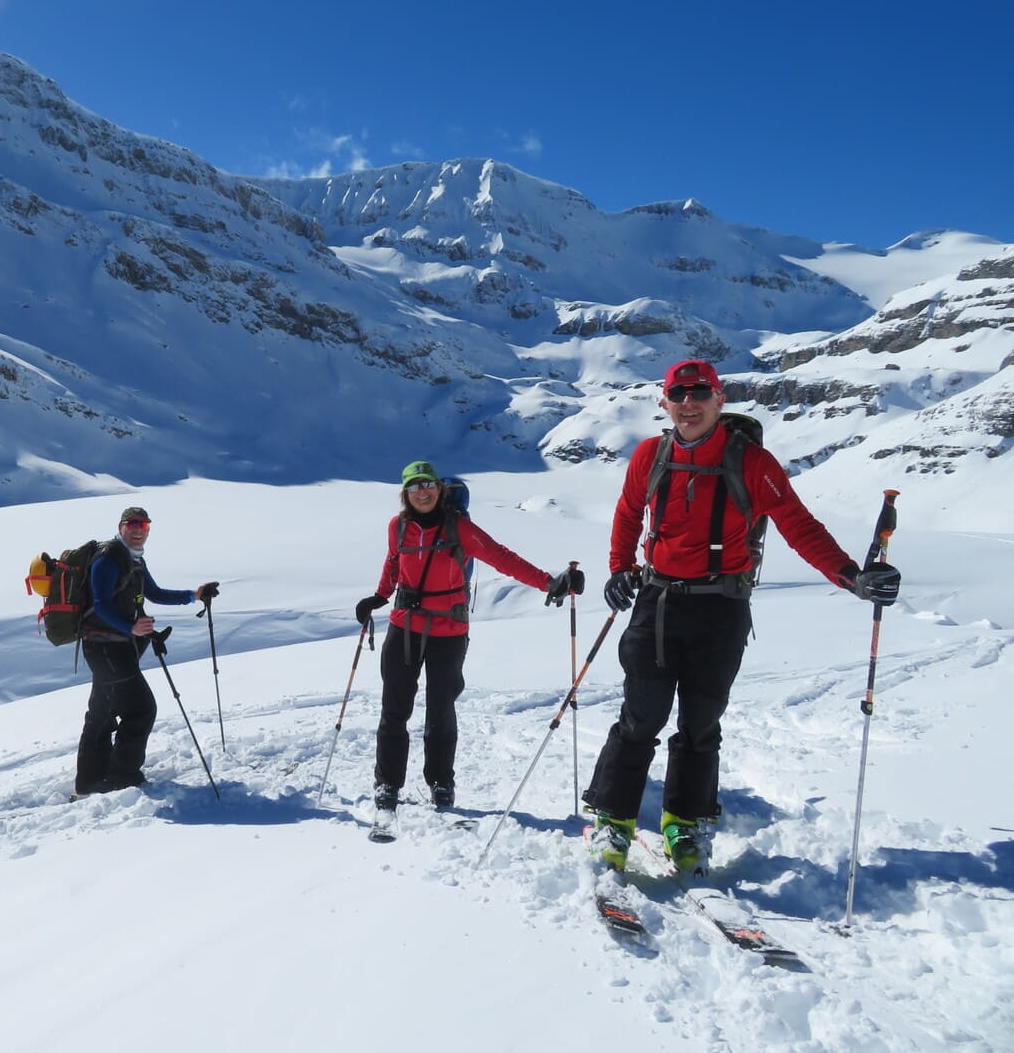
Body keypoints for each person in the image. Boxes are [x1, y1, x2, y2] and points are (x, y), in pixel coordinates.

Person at [583, 359, 902, 875]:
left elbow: (798, 524)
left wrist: (850, 576)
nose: (689, 403)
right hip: (657, 603)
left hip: (721, 606)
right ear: (664, 402)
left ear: (719, 400)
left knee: (701, 722)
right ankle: (612, 821)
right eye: (678, 394)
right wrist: (620, 569)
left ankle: (685, 825)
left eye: (699, 393)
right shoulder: (650, 454)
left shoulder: (752, 462)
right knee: (642, 715)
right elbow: (627, 512)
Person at [356, 461, 582, 813]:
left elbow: (500, 557)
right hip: (404, 626)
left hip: (449, 631)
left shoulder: (459, 528)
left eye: (428, 484)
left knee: (441, 709)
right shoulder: (397, 527)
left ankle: (441, 781)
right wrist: (380, 596)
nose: (423, 492)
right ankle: (388, 782)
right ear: (406, 494)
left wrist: (548, 582)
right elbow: (393, 562)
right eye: (415, 487)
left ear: (439, 488)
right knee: (394, 708)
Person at [74, 506, 218, 797]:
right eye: (133, 524)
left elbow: (154, 594)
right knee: (141, 709)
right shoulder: (108, 558)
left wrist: (194, 595)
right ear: (122, 526)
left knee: (101, 713)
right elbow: (101, 605)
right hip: (105, 649)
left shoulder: (134, 560)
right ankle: (123, 778)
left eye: (145, 525)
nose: (139, 530)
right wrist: (132, 628)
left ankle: (90, 782)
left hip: (117, 647)